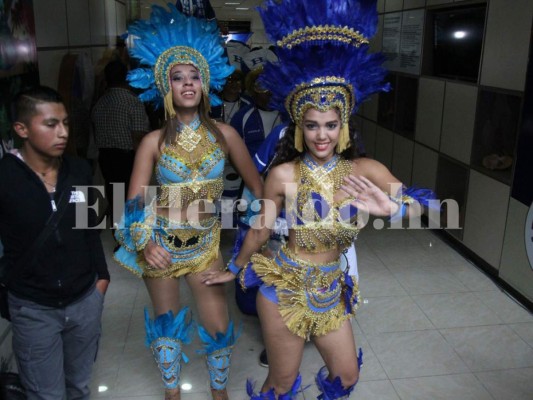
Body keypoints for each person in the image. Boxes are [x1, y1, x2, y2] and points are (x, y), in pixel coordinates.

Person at [201, 0, 436, 398]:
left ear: (343, 124)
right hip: (283, 290)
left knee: (345, 377)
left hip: (332, 289)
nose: (321, 135)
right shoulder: (283, 174)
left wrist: (394, 208)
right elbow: (260, 230)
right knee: (281, 383)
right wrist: (234, 267)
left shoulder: (366, 169)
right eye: (311, 125)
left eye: (330, 124)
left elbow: (422, 206)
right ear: (299, 126)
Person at [112, 5, 262, 400]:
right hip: (159, 243)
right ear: (166, 87)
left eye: (195, 75)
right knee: (167, 329)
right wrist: (146, 242)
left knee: (218, 329)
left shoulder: (226, 135)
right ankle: (172, 394)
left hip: (205, 245)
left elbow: (257, 188)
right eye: (178, 77)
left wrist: (249, 230)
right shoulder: (153, 142)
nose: (188, 83)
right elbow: (132, 205)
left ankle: (219, 394)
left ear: (206, 81)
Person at [0, 85, 110, 399]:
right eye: (51, 124)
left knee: (79, 387)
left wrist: (102, 282)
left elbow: (94, 228)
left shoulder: (80, 169)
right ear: (22, 129)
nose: (62, 132)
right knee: (45, 394)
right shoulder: (5, 177)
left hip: (84, 299)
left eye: (65, 123)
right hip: (33, 308)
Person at [91, 59, 150, 221]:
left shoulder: (99, 103)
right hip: (127, 158)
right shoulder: (132, 102)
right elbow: (138, 137)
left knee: (114, 196)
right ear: (127, 77)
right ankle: (133, 234)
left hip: (106, 158)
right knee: (133, 196)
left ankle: (118, 235)